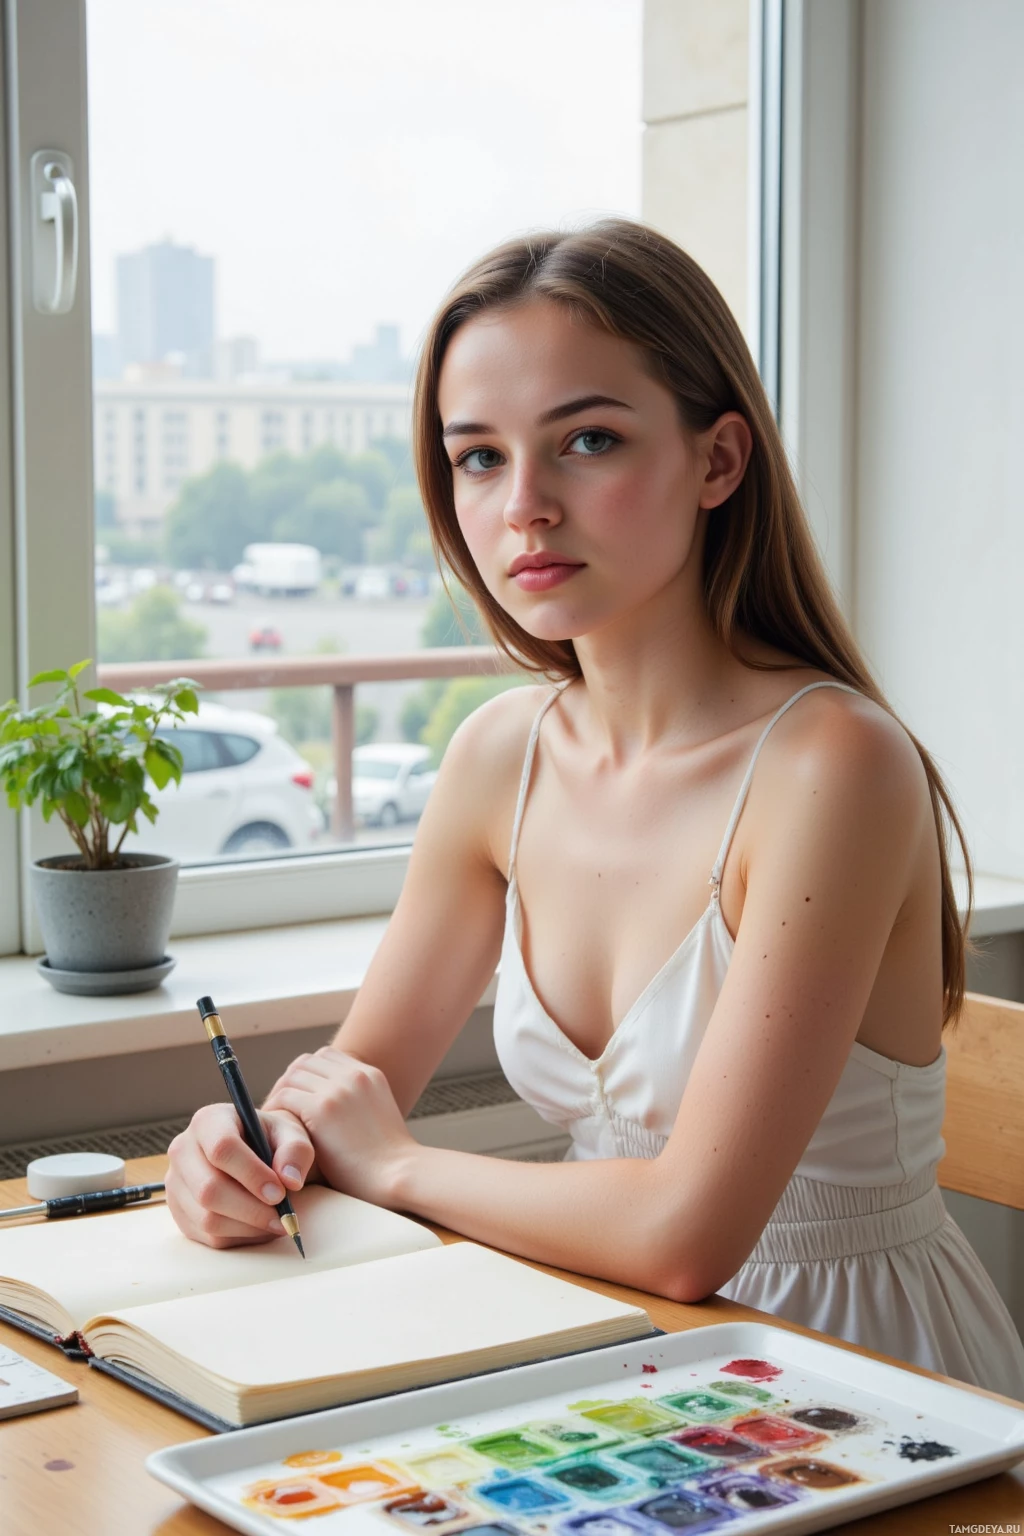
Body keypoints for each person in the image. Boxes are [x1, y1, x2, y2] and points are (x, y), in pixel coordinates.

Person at [166, 219, 1024, 1398]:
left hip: (853, 1377)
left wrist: (402, 1167)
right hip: (607, 1352)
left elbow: (684, 1235)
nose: (524, 505)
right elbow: (343, 1103)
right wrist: (240, 1156)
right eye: (478, 456)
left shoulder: (833, 766)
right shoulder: (497, 757)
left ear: (718, 462)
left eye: (587, 440)